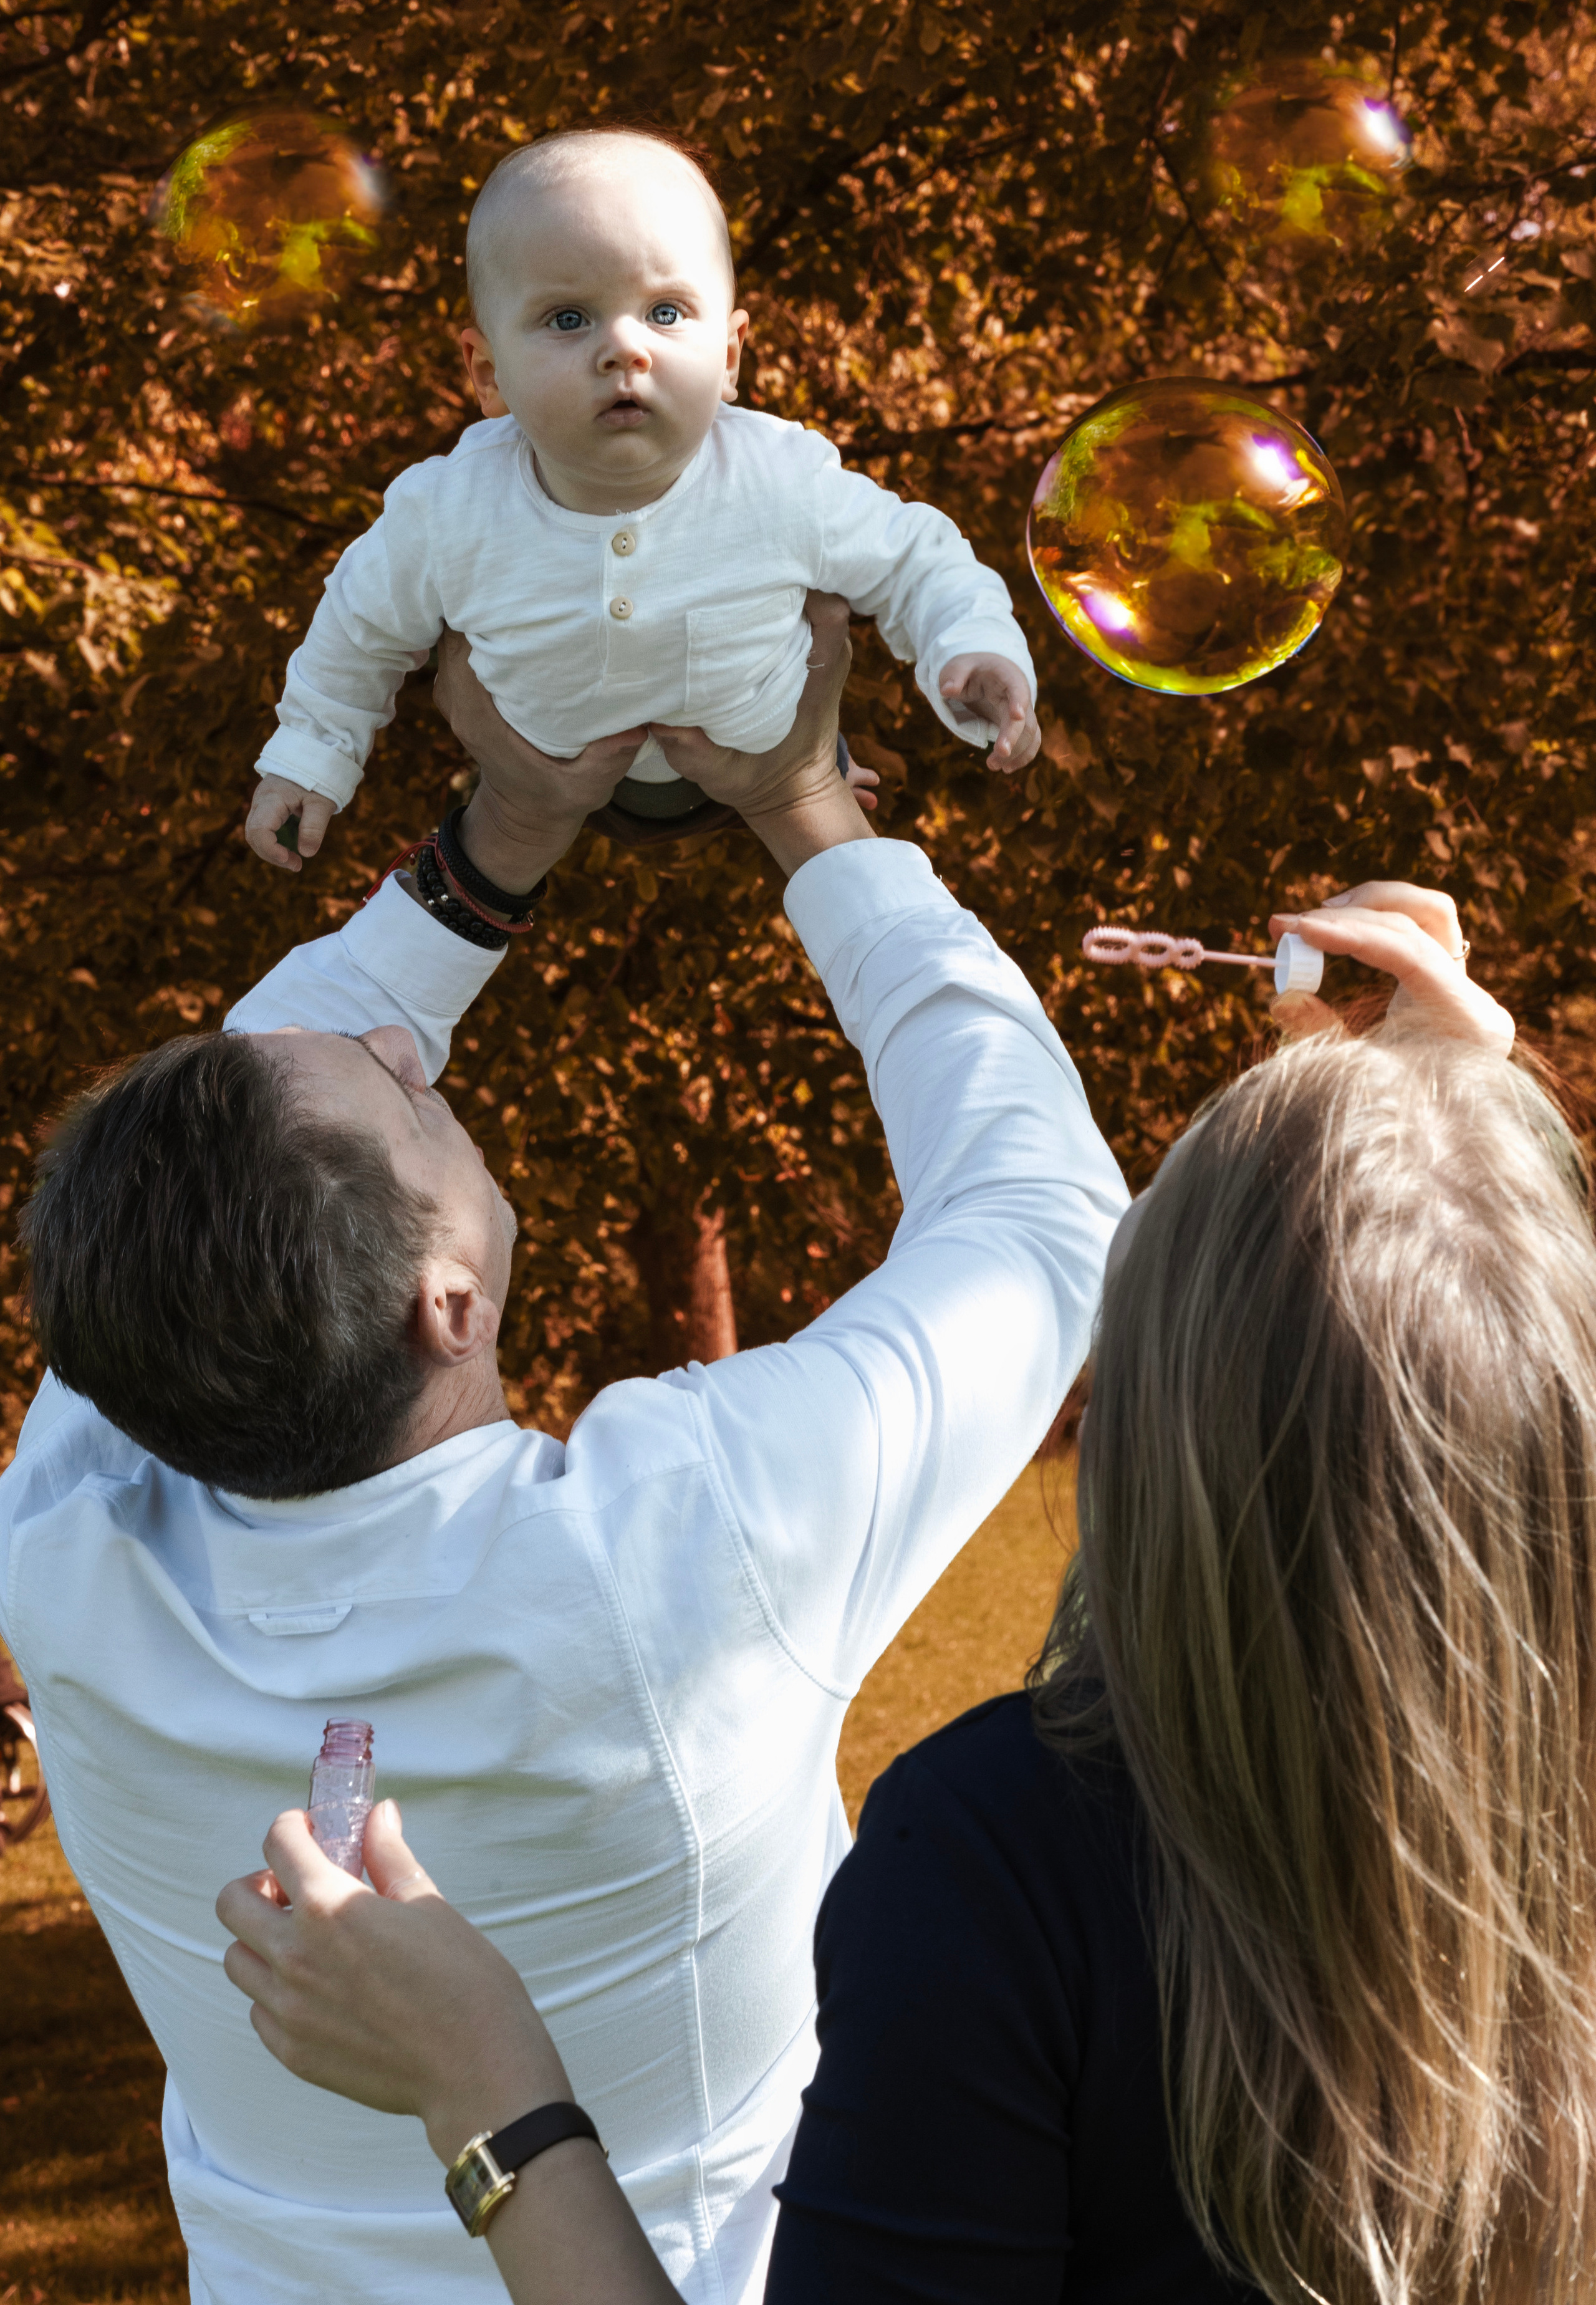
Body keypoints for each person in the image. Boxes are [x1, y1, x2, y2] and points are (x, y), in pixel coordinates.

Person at [220, 883, 1594, 2305]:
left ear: (1155, 1422)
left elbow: (182, 1165)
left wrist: (486, 2089)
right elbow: (1035, 1214)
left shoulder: (1002, 1860)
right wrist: (1473, 1138)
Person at [0, 596, 1125, 2305]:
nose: (405, 1043)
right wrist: (810, 810)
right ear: (447, 1303)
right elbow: (1037, 1215)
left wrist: (503, 837)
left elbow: (245, 1091)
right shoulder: (678, 1546)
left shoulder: (66, 1532)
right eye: (401, 1095)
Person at [244, 126, 1039, 870]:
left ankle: (830, 767)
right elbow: (359, 630)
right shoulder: (448, 508)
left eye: (665, 312)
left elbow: (916, 560)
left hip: (763, 744)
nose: (624, 347)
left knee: (791, 728)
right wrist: (308, 760)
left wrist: (970, 648)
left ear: (729, 356)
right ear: (488, 375)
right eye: (568, 318)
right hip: (567, 781)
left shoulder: (777, 477)